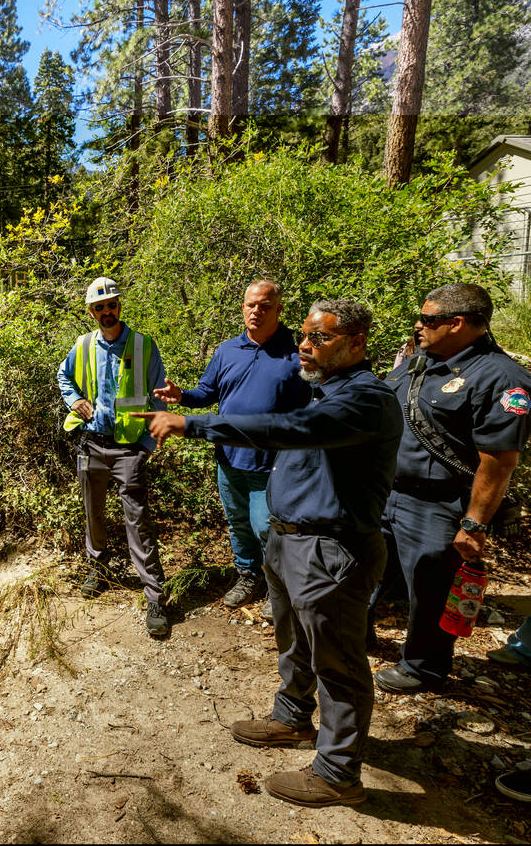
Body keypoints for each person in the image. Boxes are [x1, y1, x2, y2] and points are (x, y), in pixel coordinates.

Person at [132, 299, 403, 808]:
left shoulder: (365, 399)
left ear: (356, 343)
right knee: (295, 641)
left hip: (332, 550)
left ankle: (338, 774)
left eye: (319, 338)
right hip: (290, 542)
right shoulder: (324, 389)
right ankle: (292, 718)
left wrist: (194, 424)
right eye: (304, 335)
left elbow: (288, 430)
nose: (305, 345)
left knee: (338, 664)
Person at [372, 284, 531, 694]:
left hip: (439, 503)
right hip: (388, 493)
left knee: (430, 588)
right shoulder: (418, 362)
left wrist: (474, 525)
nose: (417, 326)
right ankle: (358, 634)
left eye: (427, 319)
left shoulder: (503, 378)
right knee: (370, 570)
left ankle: (424, 667)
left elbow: (498, 462)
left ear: (457, 323)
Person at [154, 279, 309, 608]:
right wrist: (182, 397)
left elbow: (308, 414)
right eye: (251, 305)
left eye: (264, 306)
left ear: (278, 310)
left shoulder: (296, 355)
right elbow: (206, 394)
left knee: (267, 527)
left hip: (272, 463)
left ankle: (278, 587)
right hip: (228, 458)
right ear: (242, 308)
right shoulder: (227, 350)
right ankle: (248, 575)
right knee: (239, 524)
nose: (256, 311)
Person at [56, 276, 170, 637]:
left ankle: (154, 595)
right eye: (100, 307)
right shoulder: (83, 345)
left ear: (120, 306)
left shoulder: (143, 345)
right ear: (91, 311)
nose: (107, 311)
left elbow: (158, 395)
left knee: (138, 520)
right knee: (93, 512)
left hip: (128, 450)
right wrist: (74, 400)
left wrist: (147, 446)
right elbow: (64, 376)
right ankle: (99, 571)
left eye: (112, 305)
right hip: (90, 445)